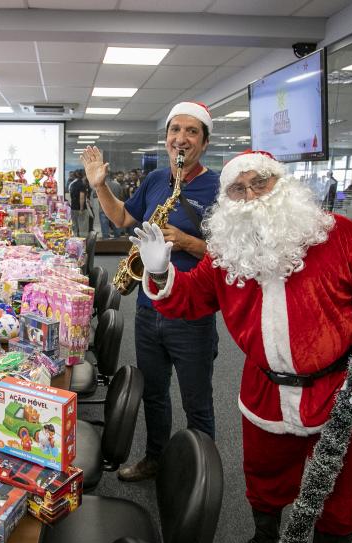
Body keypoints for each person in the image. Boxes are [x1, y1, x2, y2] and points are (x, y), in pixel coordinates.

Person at [130, 151, 352, 543]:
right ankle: (264, 542)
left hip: (335, 390)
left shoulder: (342, 235)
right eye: (238, 189)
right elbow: (190, 299)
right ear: (227, 199)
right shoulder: (226, 251)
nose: (251, 195)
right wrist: (159, 272)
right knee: (264, 476)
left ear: (282, 184)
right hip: (263, 389)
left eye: (260, 182)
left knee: (337, 487)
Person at [81, 101, 220, 482]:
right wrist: (100, 185)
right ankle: (155, 458)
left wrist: (188, 242)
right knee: (154, 394)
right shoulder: (158, 178)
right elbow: (122, 217)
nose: (181, 138)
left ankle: (198, 478)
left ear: (205, 142)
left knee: (197, 402)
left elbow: (231, 254)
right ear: (167, 137)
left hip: (192, 314)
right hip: (148, 308)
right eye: (175, 130)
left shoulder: (219, 188)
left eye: (192, 131)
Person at [69, 169, 89, 237]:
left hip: (73, 207)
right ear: (84, 175)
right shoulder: (82, 184)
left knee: (75, 226)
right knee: (83, 227)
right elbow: (81, 197)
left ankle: (75, 240)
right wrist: (81, 208)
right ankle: (83, 241)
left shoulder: (72, 184)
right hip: (80, 209)